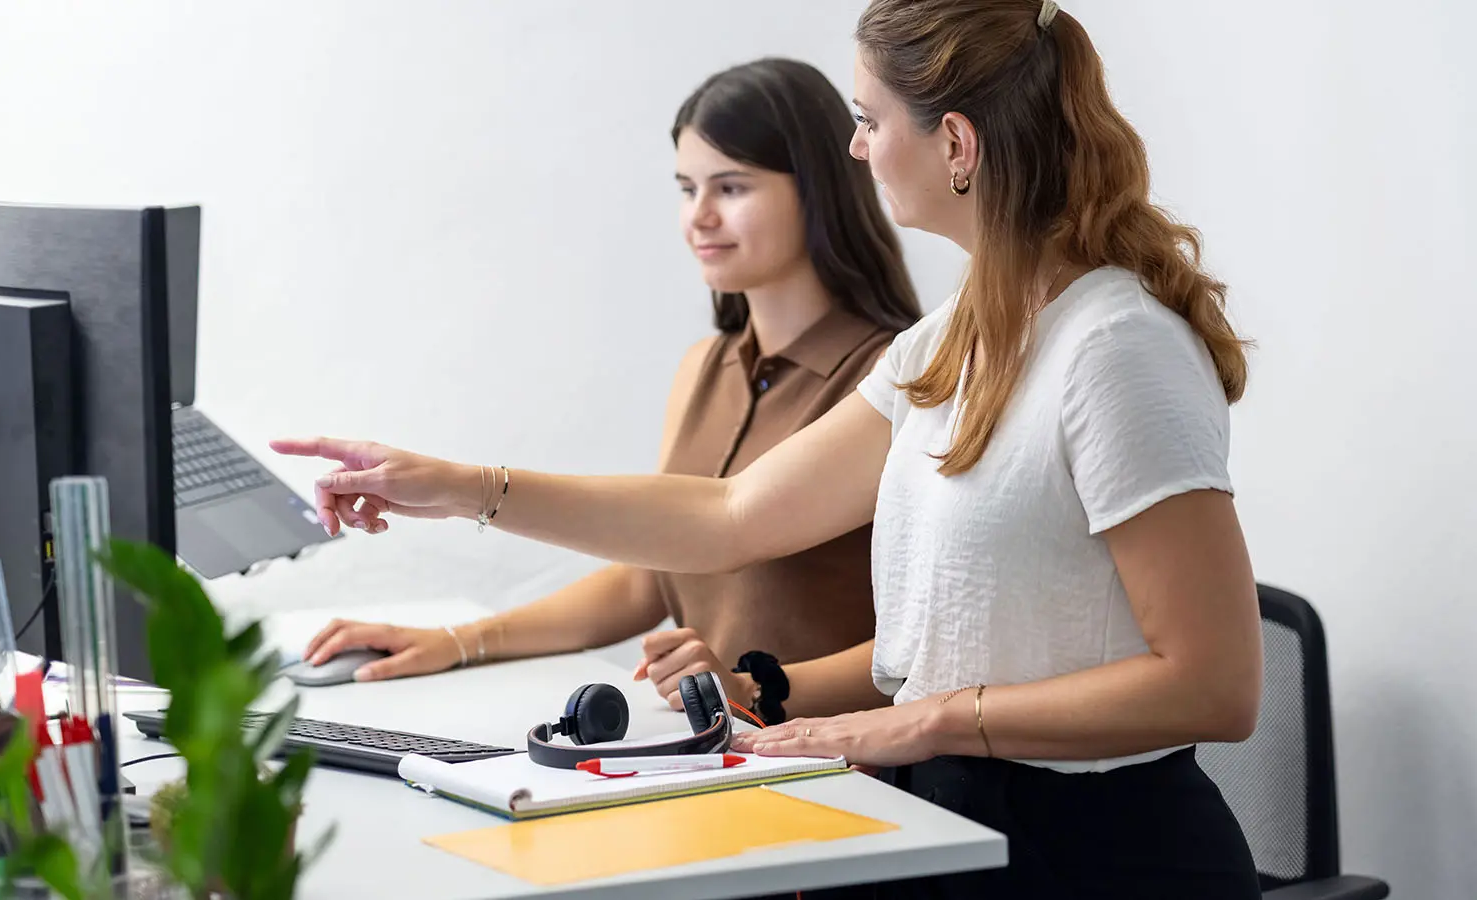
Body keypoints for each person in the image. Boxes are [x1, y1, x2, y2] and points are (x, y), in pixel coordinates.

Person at [274, 2, 1263, 897]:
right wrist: (459, 486)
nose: (857, 144)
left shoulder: (1115, 350)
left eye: (870, 119)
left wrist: (918, 720)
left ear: (954, 142)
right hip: (948, 816)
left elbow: (1214, 686)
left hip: (1099, 857)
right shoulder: (950, 343)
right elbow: (729, 514)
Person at [297, 57, 921, 725]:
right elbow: (647, 575)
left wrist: (754, 689)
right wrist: (458, 643)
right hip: (708, 757)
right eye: (687, 189)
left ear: (818, 189)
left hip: (834, 768)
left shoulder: (898, 378)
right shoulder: (703, 367)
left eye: (732, 188)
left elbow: (920, 646)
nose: (700, 217)